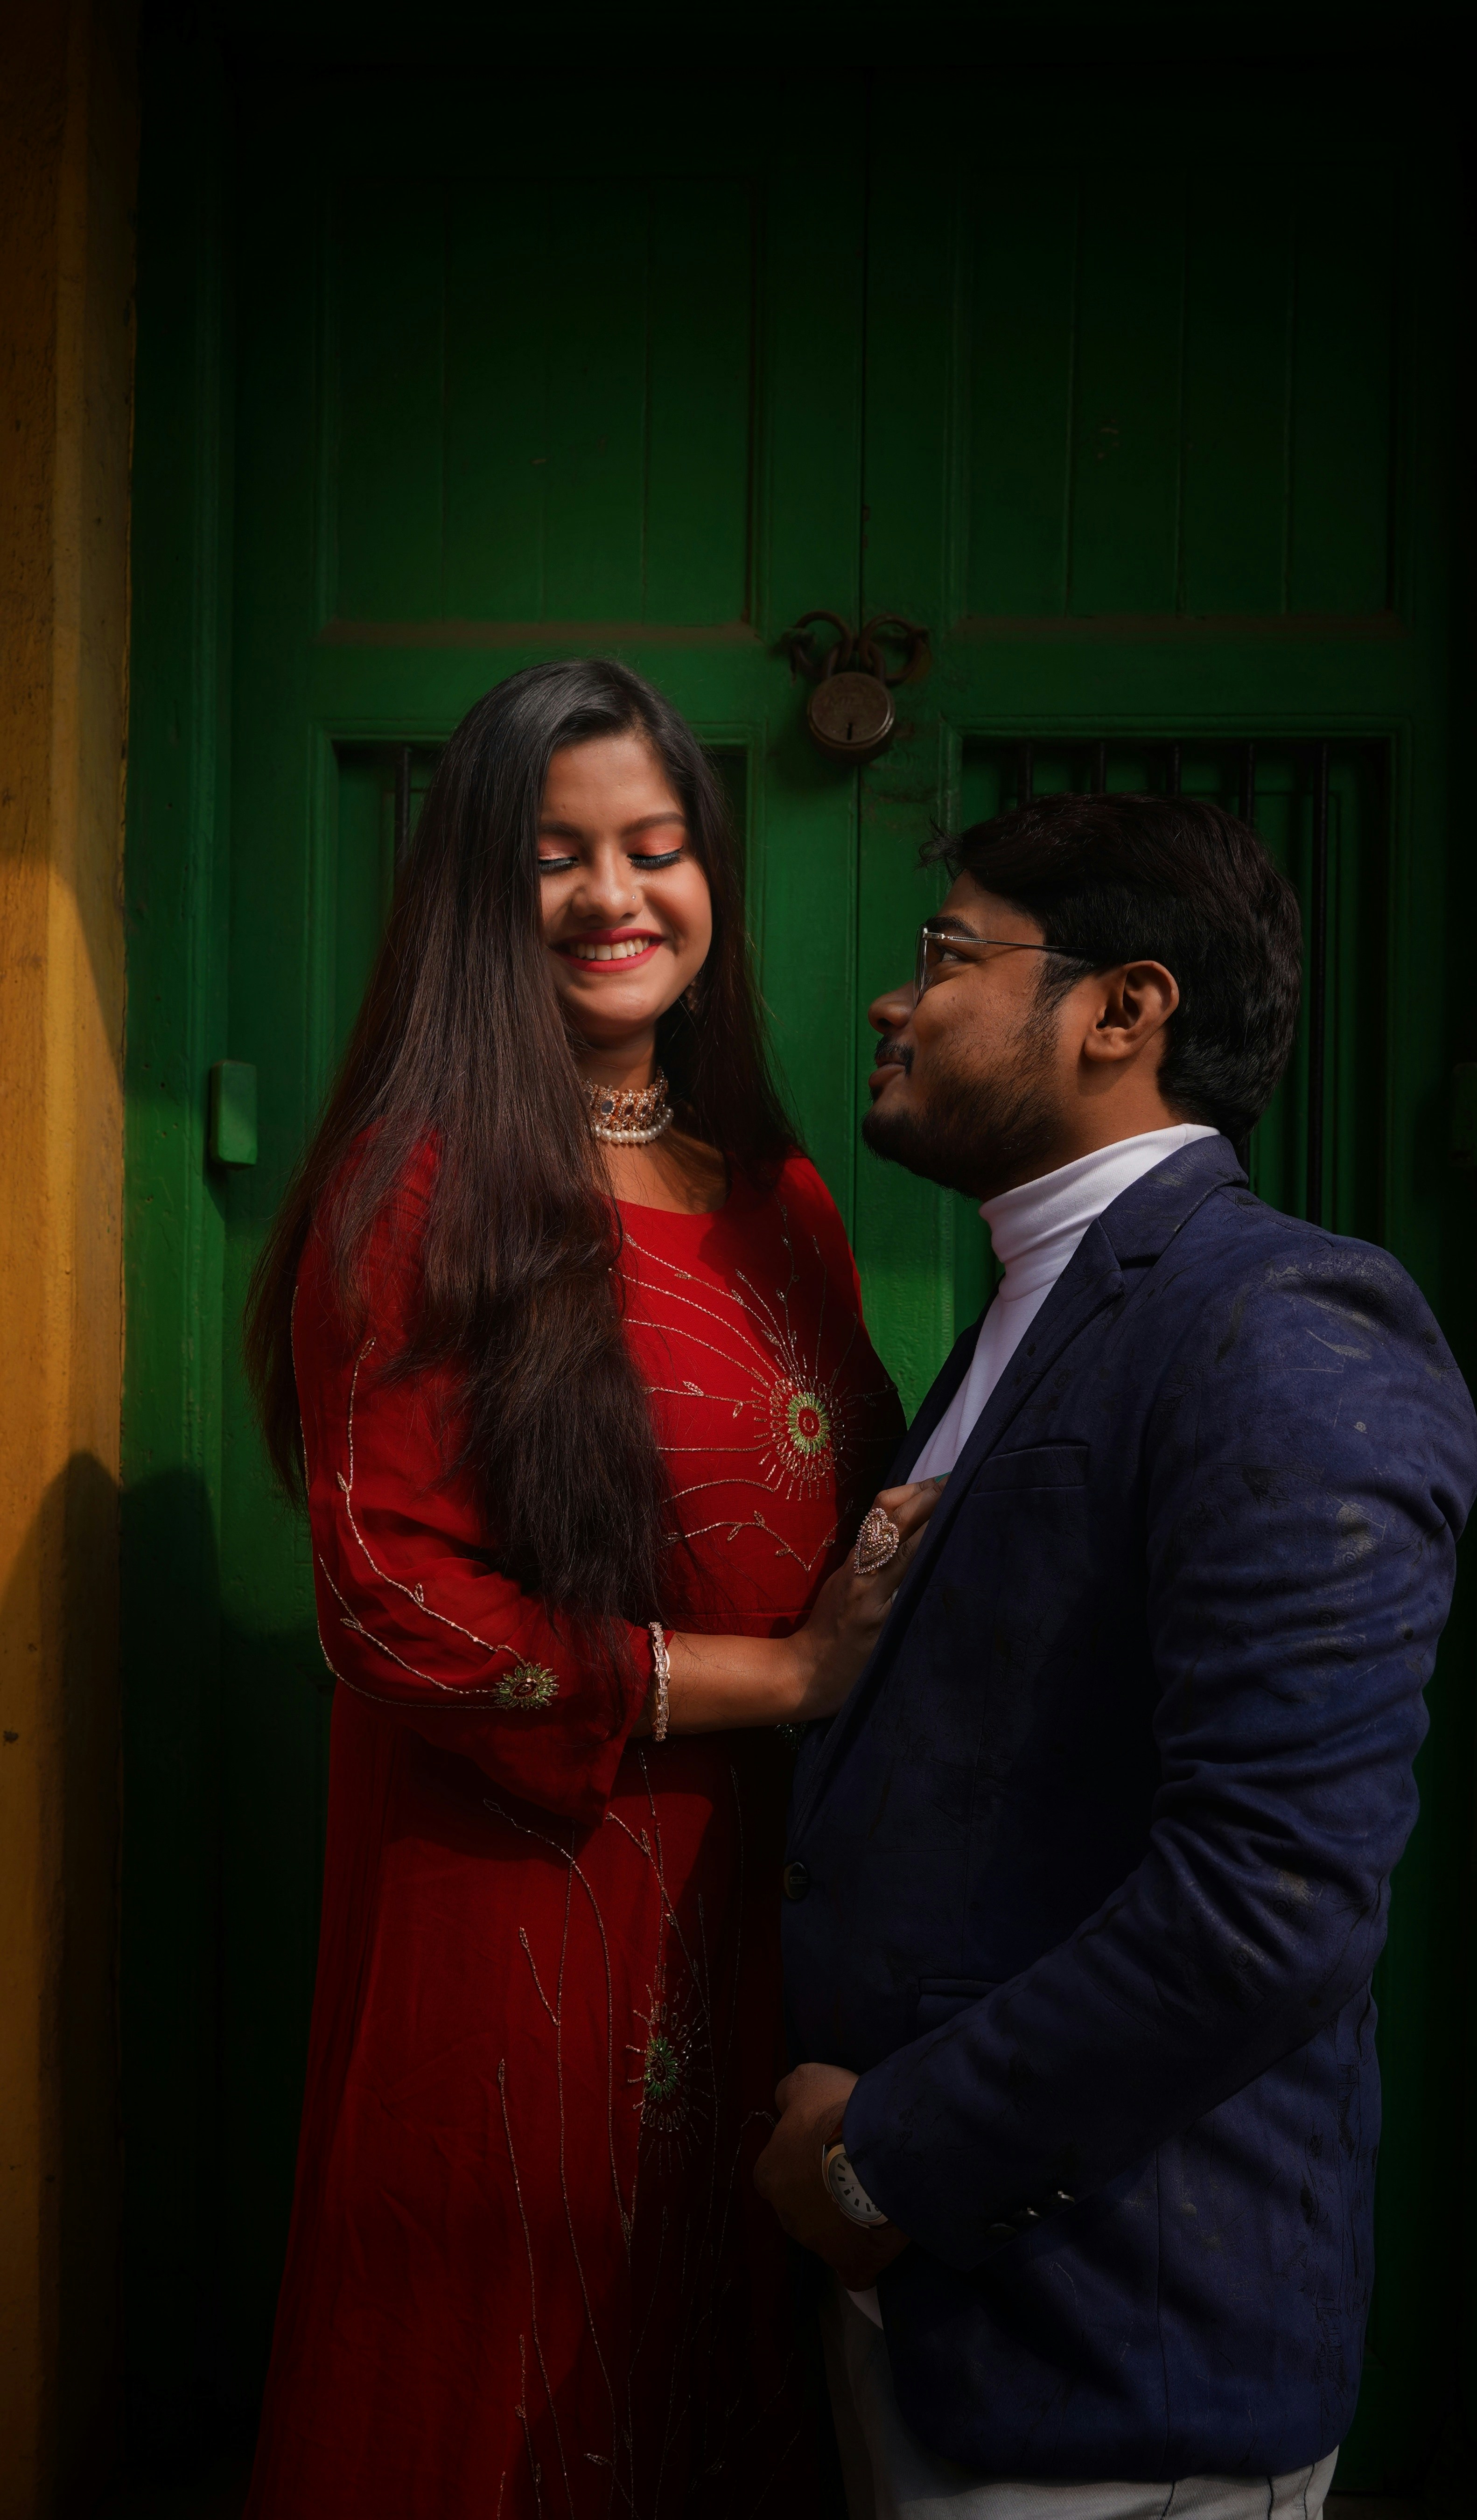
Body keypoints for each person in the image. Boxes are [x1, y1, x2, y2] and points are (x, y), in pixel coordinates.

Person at [240, 659, 930, 2519]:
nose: (618, 897)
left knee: (707, 2352)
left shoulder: (778, 1190)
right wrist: (779, 1682)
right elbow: (393, 1600)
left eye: (657, 846)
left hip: (752, 1893)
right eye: (557, 857)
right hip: (517, 1894)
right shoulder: (420, 1189)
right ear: (482, 894)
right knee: (505, 2379)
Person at [756, 790, 1477, 2518]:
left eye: (946, 954)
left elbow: (1273, 1901)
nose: (893, 997)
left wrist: (875, 2168)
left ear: (1121, 1010)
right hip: (948, 2323)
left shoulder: (1282, 1318)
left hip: (1116, 2360)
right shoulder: (1035, 1299)